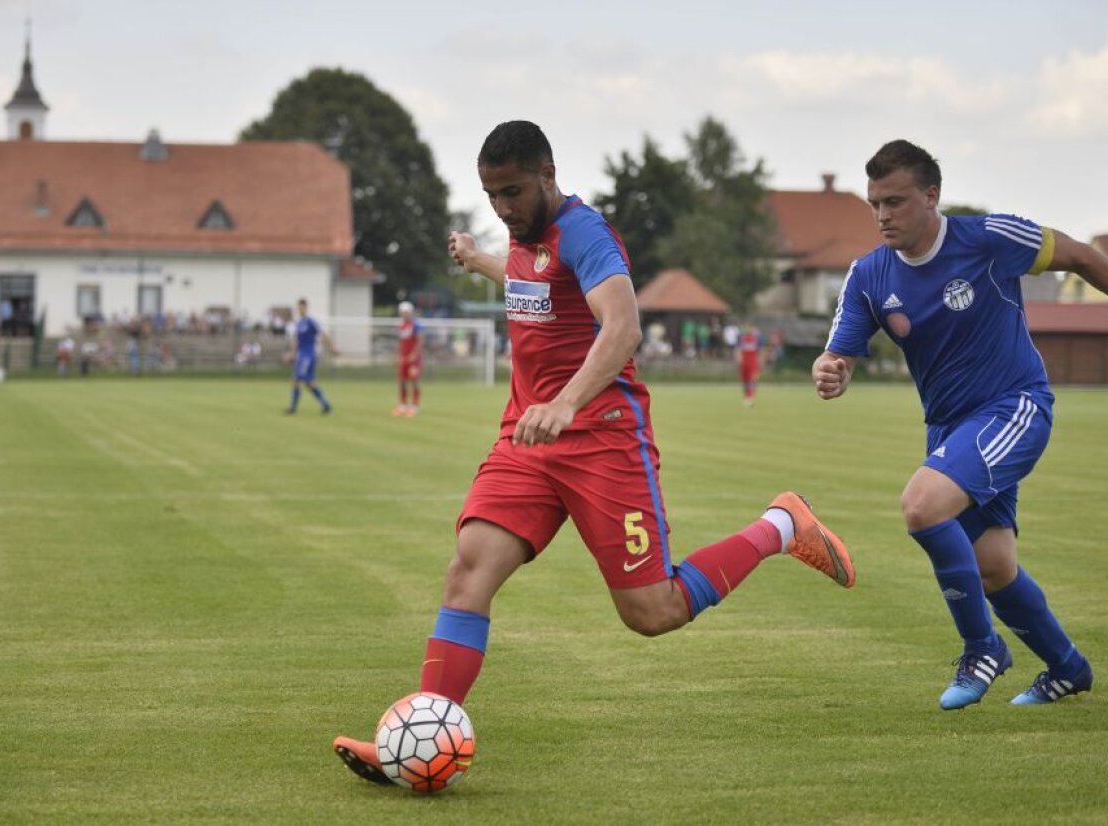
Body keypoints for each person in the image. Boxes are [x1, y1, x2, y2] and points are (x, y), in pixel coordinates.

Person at [332, 120, 855, 784]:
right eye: (491, 195)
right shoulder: (525, 240)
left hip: (602, 435)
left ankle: (782, 524)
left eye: (513, 192)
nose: (502, 209)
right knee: (467, 572)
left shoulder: (585, 232)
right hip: (527, 439)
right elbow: (533, 284)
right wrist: (478, 257)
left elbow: (624, 325)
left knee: (652, 611)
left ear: (548, 177)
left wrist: (567, 402)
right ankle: (421, 737)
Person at [813, 139, 1108, 710]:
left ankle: (982, 648)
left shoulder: (990, 239)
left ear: (931, 196)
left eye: (894, 201)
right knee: (993, 568)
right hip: (949, 428)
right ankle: (1068, 668)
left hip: (1015, 407)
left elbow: (1084, 256)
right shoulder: (868, 274)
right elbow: (838, 353)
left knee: (921, 505)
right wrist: (831, 370)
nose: (882, 215)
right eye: (874, 204)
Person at [284, 298, 338, 415]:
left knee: (296, 380)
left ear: (306, 308)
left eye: (302, 307)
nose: (300, 309)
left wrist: (332, 347)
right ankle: (326, 405)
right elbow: (296, 340)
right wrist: (292, 354)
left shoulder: (311, 321)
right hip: (301, 356)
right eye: (299, 307)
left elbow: (323, 334)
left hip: (308, 355)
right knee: (309, 383)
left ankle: (292, 408)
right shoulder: (298, 323)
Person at [393, 300, 423, 417]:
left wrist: (414, 354)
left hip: (414, 359)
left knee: (414, 381)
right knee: (402, 381)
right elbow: (401, 343)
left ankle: (415, 405)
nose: (405, 314)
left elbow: (420, 340)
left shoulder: (416, 325)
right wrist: (398, 355)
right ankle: (402, 405)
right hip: (403, 358)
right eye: (403, 312)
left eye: (407, 312)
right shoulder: (401, 325)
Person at [736, 323, 764, 407]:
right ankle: (746, 397)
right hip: (744, 364)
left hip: (753, 364)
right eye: (748, 328)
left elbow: (761, 351)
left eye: (751, 328)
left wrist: (761, 362)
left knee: (752, 381)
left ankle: (750, 398)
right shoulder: (742, 338)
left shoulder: (757, 339)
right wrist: (738, 360)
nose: (749, 330)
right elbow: (738, 350)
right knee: (745, 382)